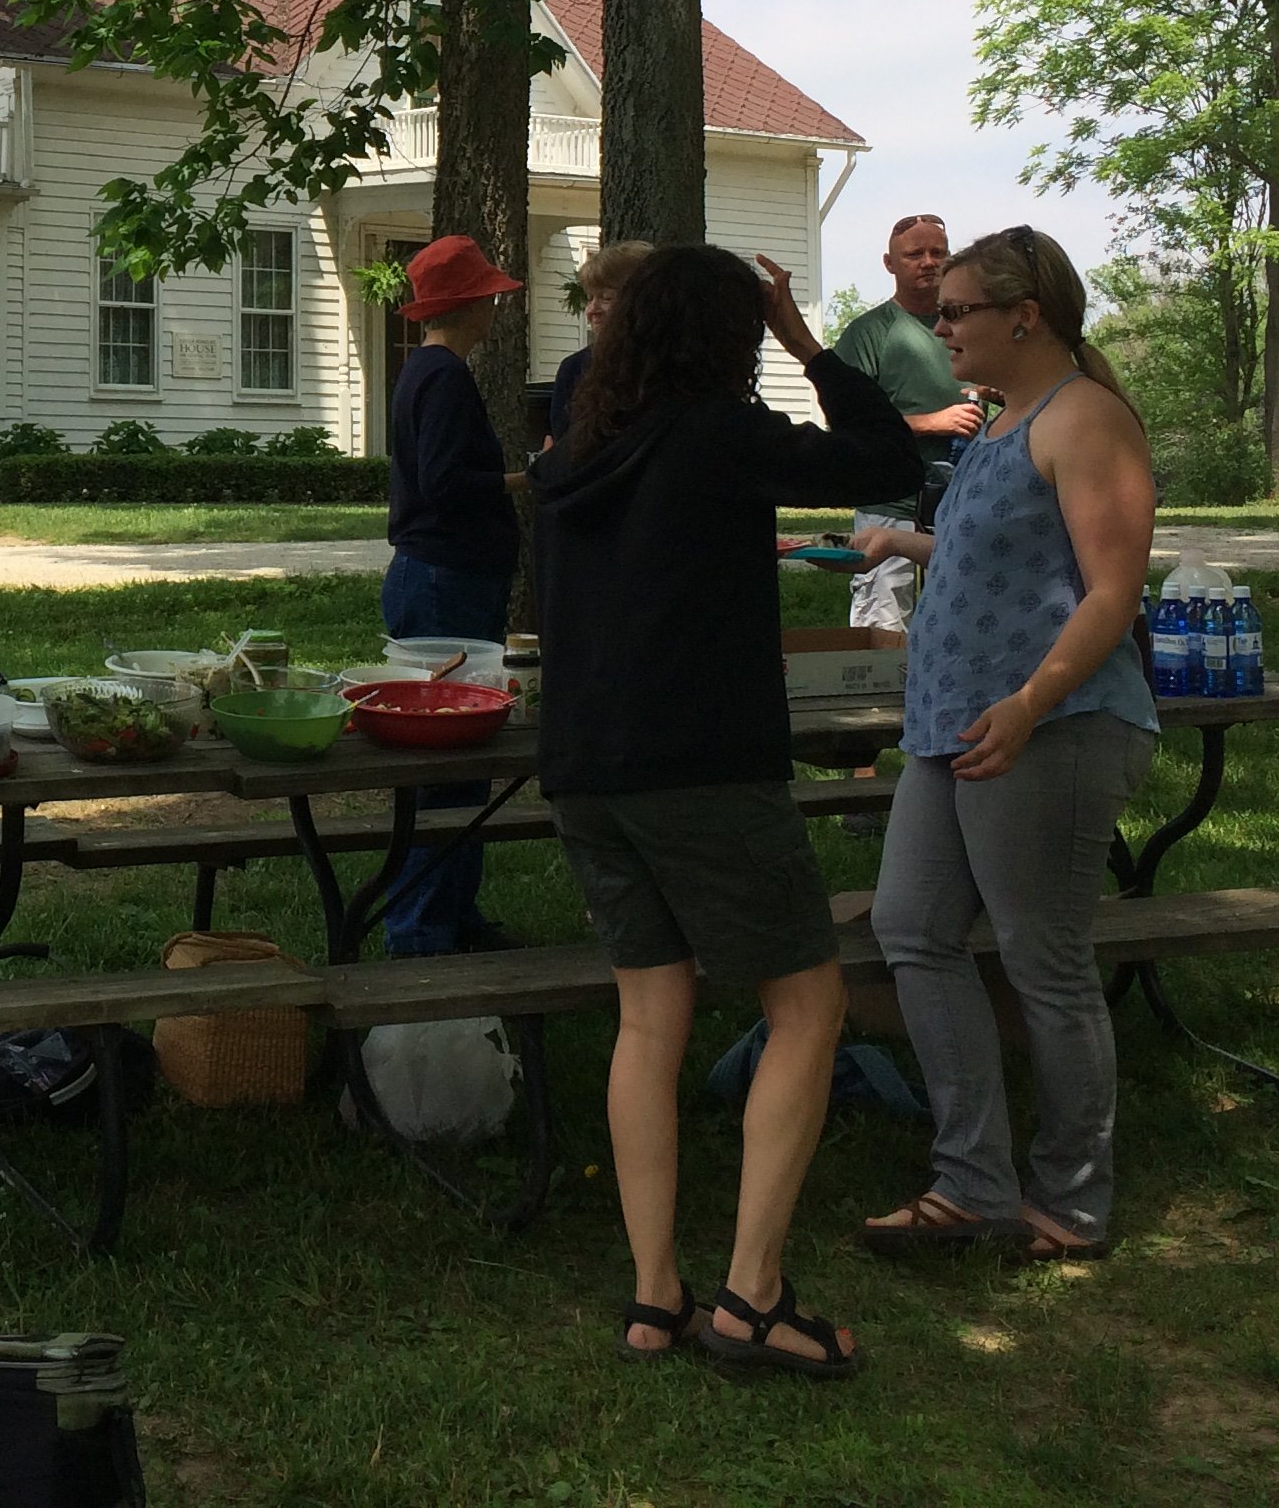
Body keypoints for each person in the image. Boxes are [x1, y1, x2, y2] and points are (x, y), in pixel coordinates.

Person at [532, 243, 920, 1376]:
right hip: (701, 765)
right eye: (752, 333)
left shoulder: (575, 450)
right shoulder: (718, 435)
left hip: (585, 769)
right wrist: (811, 346)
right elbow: (889, 458)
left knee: (648, 1018)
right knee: (807, 1005)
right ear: (729, 340)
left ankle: (655, 1297)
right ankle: (752, 1298)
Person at [854, 226, 1159, 1266]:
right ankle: (974, 1181)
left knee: (1045, 963)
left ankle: (1072, 1200)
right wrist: (906, 541)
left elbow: (1112, 591)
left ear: (1024, 316)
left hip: (1051, 728)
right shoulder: (1000, 422)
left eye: (956, 312)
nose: (939, 328)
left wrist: (1030, 703)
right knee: (911, 927)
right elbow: (997, 549)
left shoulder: (1087, 417)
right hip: (953, 729)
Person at [380, 234, 526, 957]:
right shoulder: (443, 376)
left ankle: (453, 916)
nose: (496, 307)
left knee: (465, 761)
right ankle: (419, 934)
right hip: (444, 581)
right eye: (488, 296)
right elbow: (442, 482)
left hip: (447, 577)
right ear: (470, 305)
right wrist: (526, 479)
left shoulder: (428, 369)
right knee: (442, 762)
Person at [828, 214, 986, 629]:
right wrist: (933, 422)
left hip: (964, 504)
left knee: (960, 626)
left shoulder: (971, 329)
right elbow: (846, 427)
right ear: (889, 264)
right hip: (888, 504)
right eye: (914, 254)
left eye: (938, 252)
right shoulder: (868, 334)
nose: (928, 262)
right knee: (883, 630)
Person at [541, 238, 654, 452]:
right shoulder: (575, 368)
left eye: (606, 298)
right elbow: (566, 449)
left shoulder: (675, 365)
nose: (592, 310)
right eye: (590, 298)